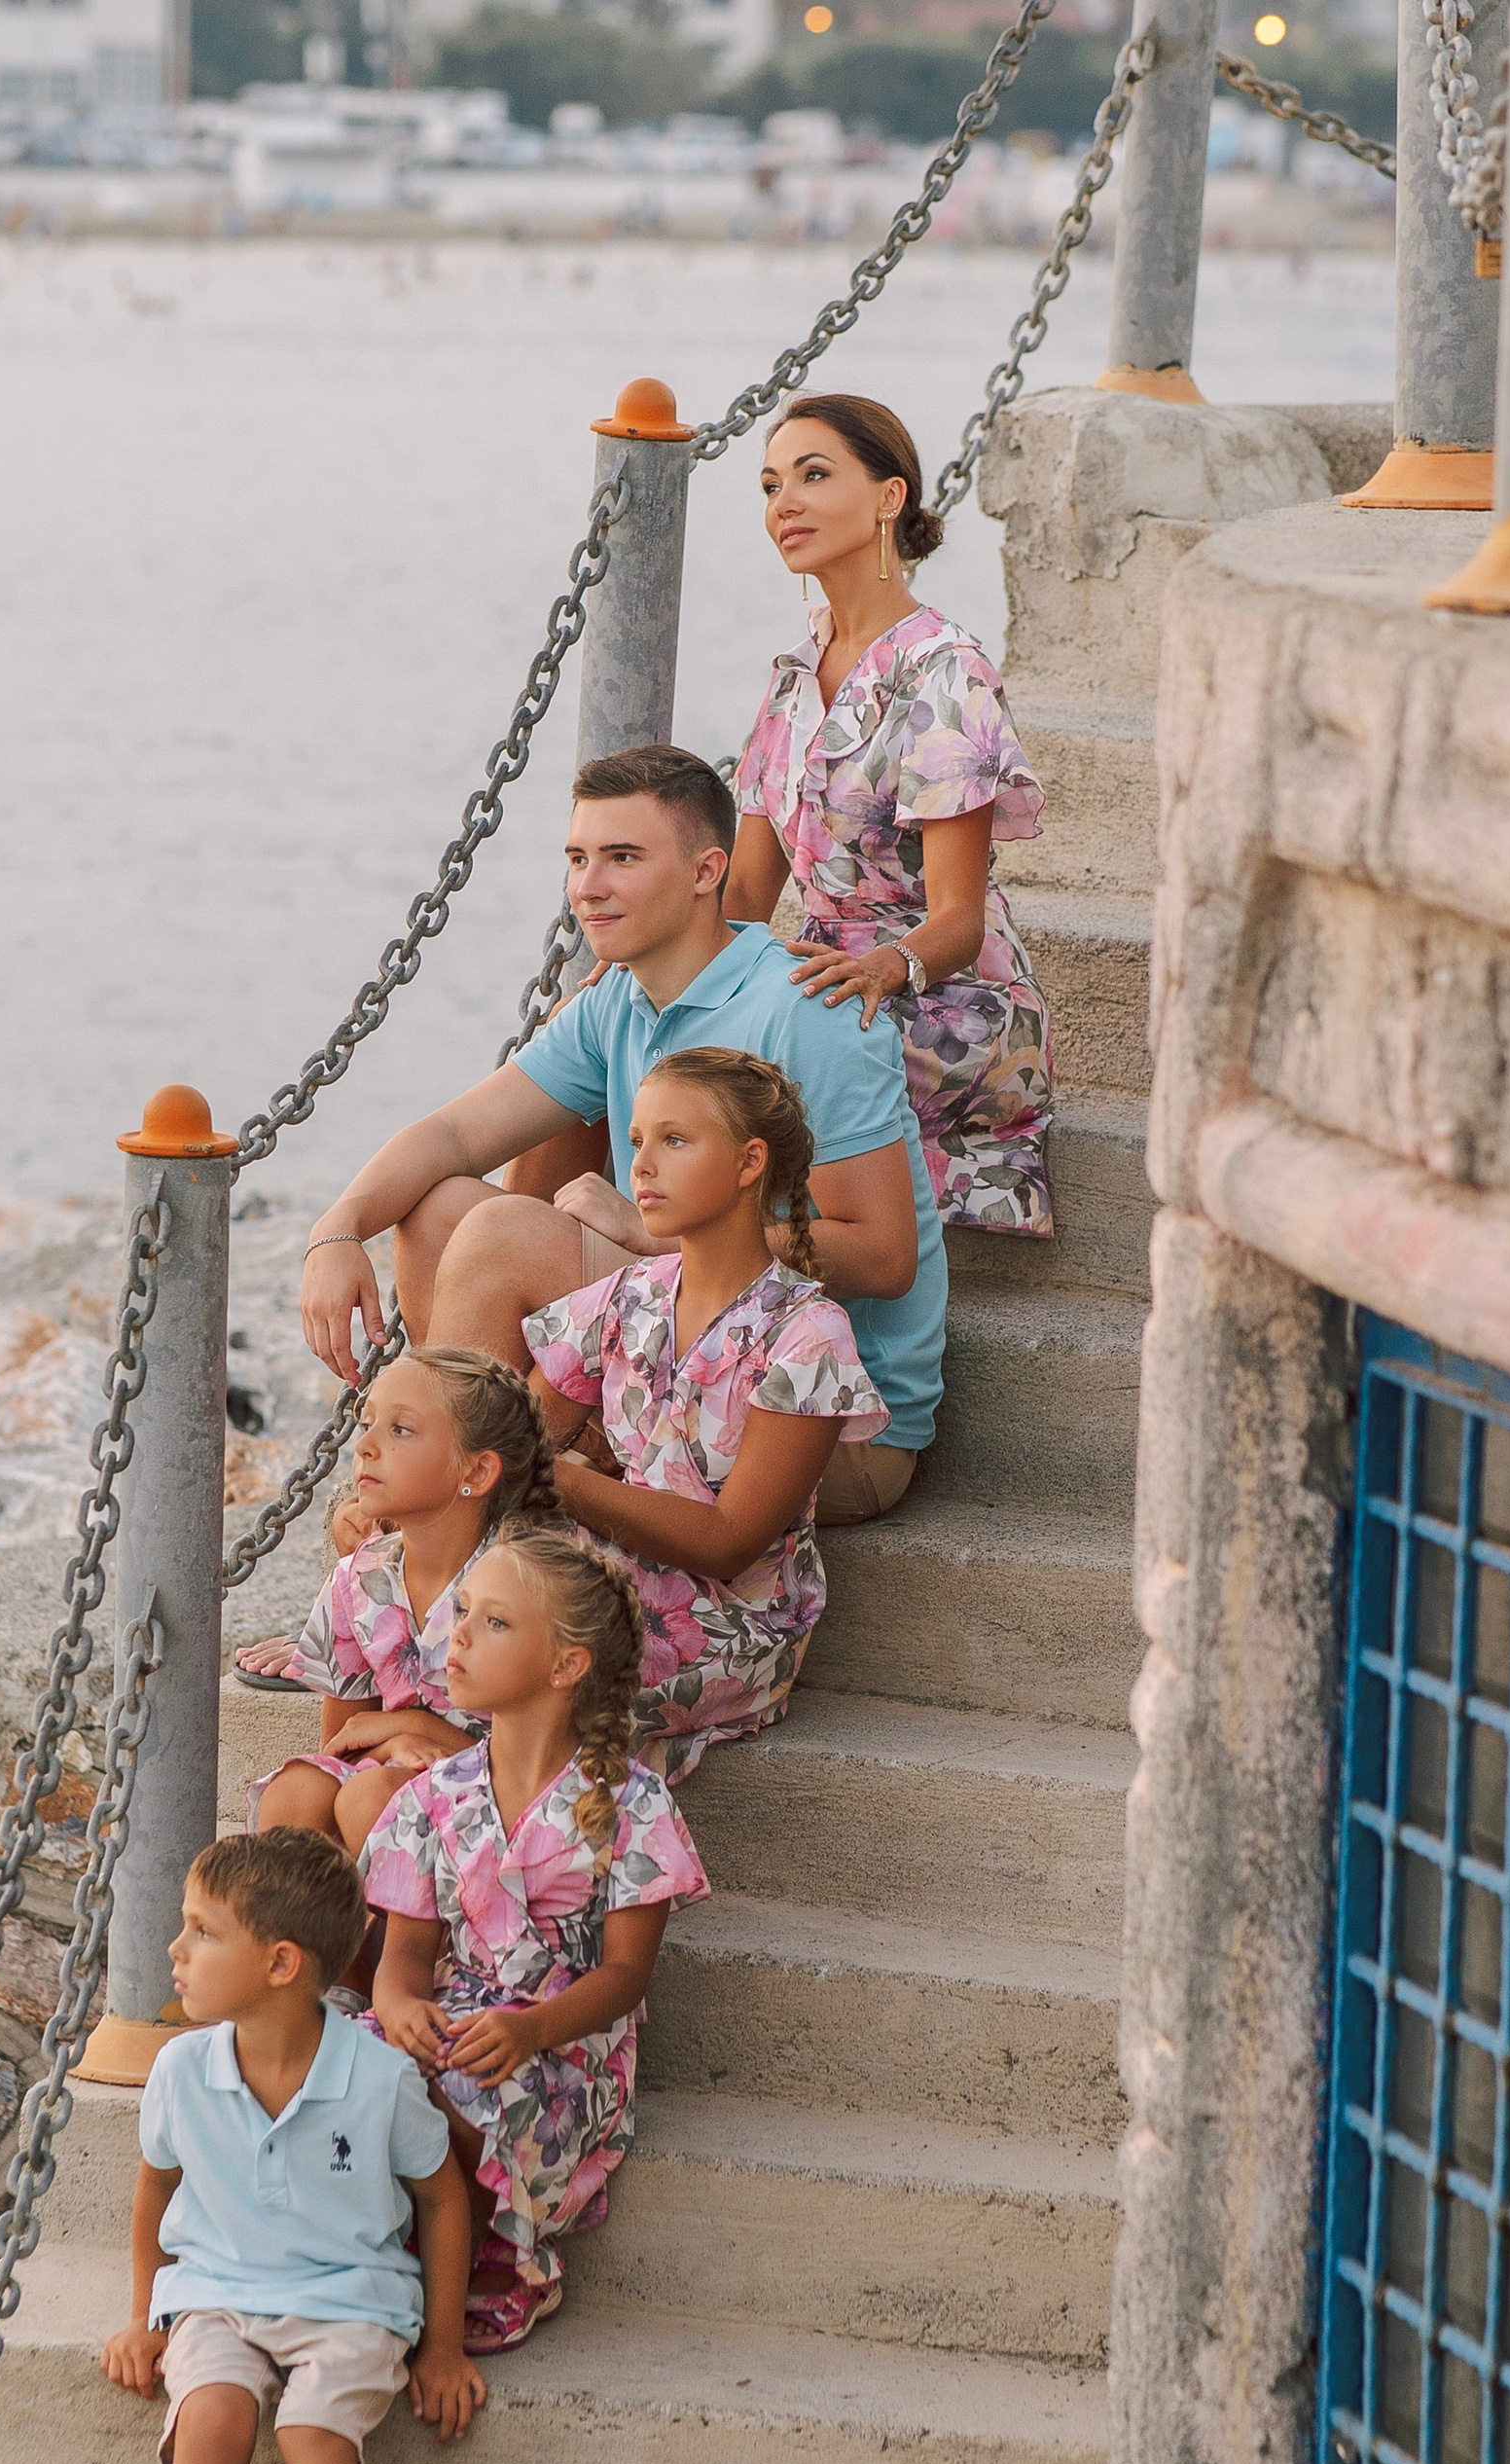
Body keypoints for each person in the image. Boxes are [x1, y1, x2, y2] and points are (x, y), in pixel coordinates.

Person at [299, 741, 945, 1528]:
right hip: (685, 1355)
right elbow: (456, 1135)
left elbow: (884, 1256)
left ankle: (430, 1515)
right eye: (578, 859)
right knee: (437, 1211)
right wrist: (336, 1232)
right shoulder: (618, 999)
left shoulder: (807, 1012)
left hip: (823, 1422)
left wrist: (656, 1236)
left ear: (707, 872)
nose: (588, 887)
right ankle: (474, 1483)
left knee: (502, 1234)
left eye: (623, 858)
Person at [363, 1520, 709, 2352]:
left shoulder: (630, 1803)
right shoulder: (433, 1796)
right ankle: (363, 2252)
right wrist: (401, 2007)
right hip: (455, 2017)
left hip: (561, 2043)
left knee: (475, 2094)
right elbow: (403, 1958)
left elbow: (624, 1976)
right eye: (463, 1612)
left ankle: (496, 2261)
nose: (458, 1635)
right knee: (355, 2068)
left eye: (494, 1622)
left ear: (565, 1666)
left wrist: (528, 2031)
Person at [725, 391, 1057, 1237]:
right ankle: (549, 1270)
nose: (784, 502)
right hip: (819, 983)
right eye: (770, 485)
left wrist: (879, 970)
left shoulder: (946, 672)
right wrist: (652, 961)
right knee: (601, 1022)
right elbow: (744, 901)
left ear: (889, 496)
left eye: (813, 475)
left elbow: (958, 923)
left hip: (941, 1001)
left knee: (714, 1079)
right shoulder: (793, 676)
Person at [525, 1047, 887, 1783]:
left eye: (675, 1140)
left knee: (525, 1653)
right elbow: (515, 1433)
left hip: (729, 1625)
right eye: (637, 1141)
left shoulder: (809, 1336)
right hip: (613, 1569)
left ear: (750, 1161)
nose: (642, 1165)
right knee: (400, 1571)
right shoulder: (629, 1295)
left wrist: (562, 1480)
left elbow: (728, 1543)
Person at [97, 1829, 487, 2464]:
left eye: (202, 1931)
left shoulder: (382, 2079)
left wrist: (442, 2348)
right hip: (217, 2295)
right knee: (210, 2421)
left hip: (353, 2301)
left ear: (281, 1964)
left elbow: (443, 2197)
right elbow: (158, 2186)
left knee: (312, 2433)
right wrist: (143, 2318)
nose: (175, 1947)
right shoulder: (179, 2070)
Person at [238, 1349, 552, 1857]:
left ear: (476, 1471)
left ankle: (406, 1917)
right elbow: (341, 1746)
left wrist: (413, 1725)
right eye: (367, 1424)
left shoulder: (531, 1585)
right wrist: (392, 1742)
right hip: (406, 1774)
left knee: (376, 1796)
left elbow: (551, 1770)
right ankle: (316, 1909)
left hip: (520, 1804)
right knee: (297, 1791)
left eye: (400, 1430)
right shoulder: (357, 1580)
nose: (364, 1446)